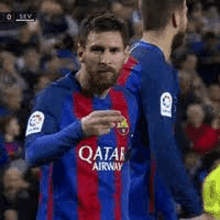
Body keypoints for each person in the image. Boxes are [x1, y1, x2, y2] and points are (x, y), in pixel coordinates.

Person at [25, 13, 138, 220]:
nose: (105, 59)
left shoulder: (128, 102)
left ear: (126, 55)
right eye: (97, 50)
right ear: (81, 52)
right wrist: (79, 130)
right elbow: (32, 153)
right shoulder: (53, 97)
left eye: (114, 51)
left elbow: (125, 166)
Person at [117, 0, 205, 219]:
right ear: (176, 19)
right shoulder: (156, 68)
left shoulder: (128, 59)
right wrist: (194, 209)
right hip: (139, 203)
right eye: (186, 14)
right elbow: (162, 146)